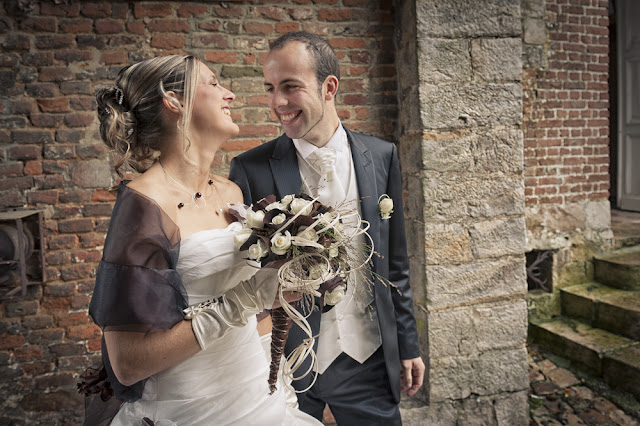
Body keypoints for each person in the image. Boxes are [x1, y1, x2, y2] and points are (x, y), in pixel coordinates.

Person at [85, 54, 321, 425]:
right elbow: (128, 364)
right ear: (174, 102)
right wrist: (243, 300)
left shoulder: (231, 193)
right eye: (213, 84)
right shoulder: (144, 204)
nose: (229, 94)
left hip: (257, 396)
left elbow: (253, 309)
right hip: (190, 406)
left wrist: (280, 385)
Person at [229, 32, 425, 425]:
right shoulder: (249, 169)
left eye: (290, 87)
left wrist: (406, 344)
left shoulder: (382, 156)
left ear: (329, 87)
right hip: (286, 365)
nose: (276, 103)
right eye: (270, 89)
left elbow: (394, 264)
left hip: (367, 357)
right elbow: (242, 279)